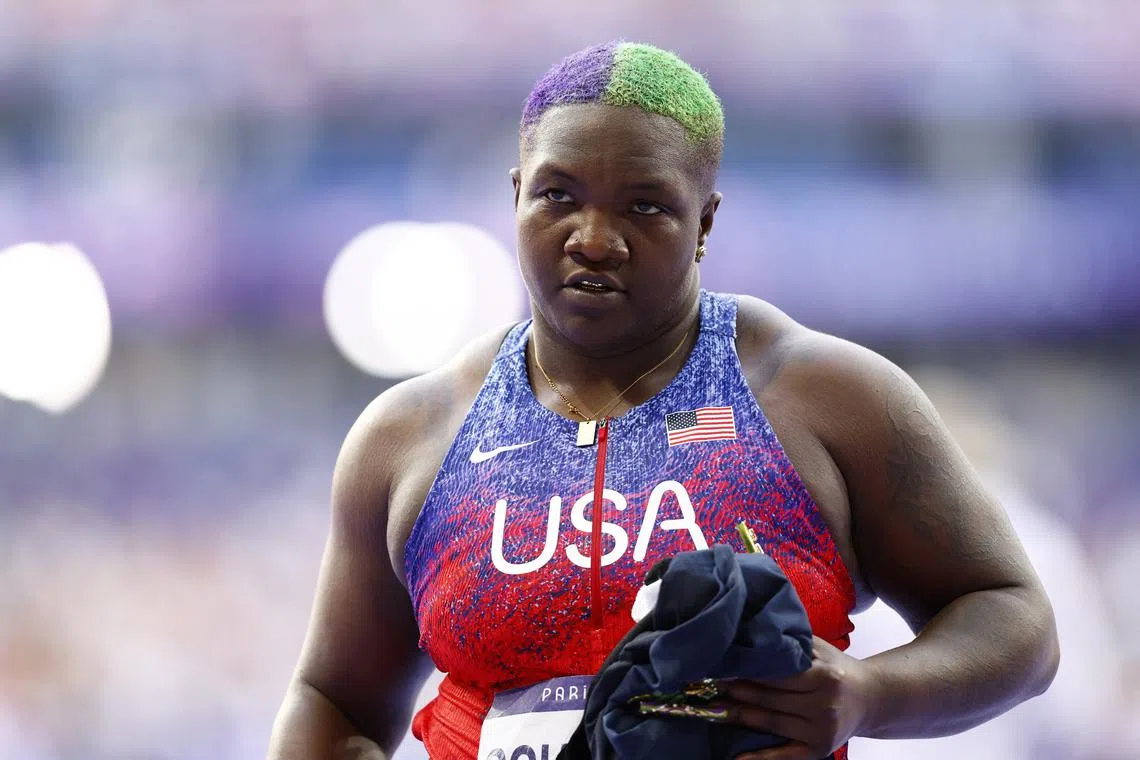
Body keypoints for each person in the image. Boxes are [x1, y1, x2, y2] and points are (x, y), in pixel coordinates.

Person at [267, 42, 1058, 760]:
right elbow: (332, 700)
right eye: (557, 196)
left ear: (705, 220)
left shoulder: (824, 399)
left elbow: (1014, 618)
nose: (594, 237)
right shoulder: (411, 436)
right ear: (516, 195)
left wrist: (868, 694)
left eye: (644, 205)